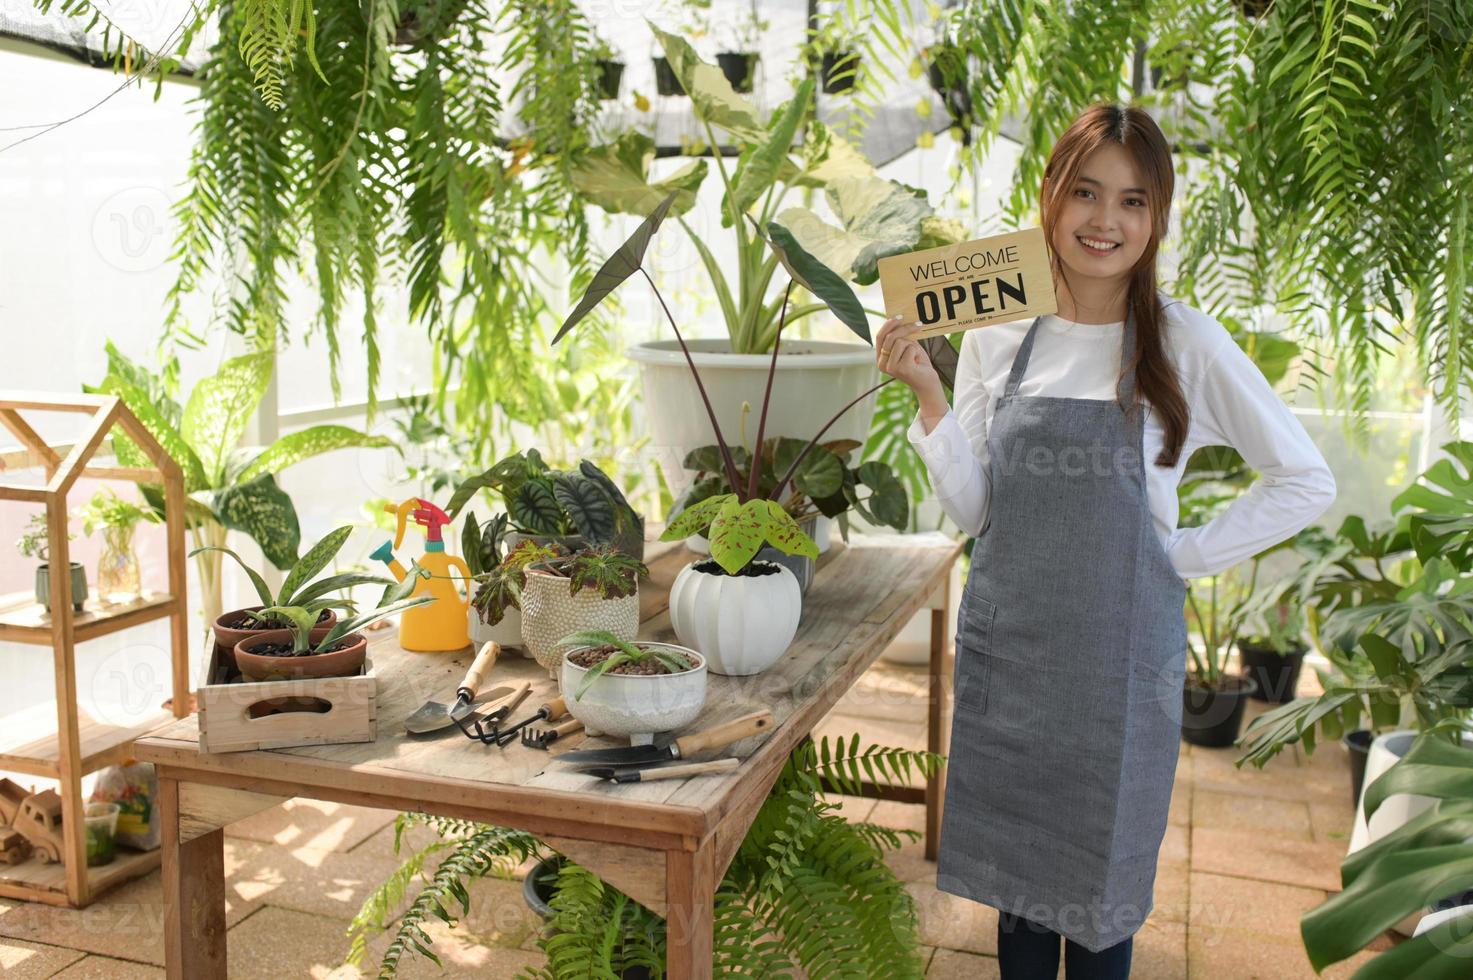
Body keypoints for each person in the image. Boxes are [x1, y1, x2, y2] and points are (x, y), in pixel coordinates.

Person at [875, 102, 1337, 979]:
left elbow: (1304, 477)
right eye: (1085, 192)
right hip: (1014, 653)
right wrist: (928, 402)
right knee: (1016, 897)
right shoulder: (996, 334)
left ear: (1156, 216)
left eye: (1131, 200)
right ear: (1049, 197)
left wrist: (1182, 556)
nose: (1104, 220)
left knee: (1099, 902)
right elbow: (978, 515)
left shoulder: (1184, 342)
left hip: (1119, 666)